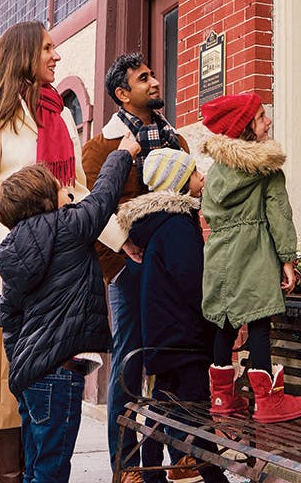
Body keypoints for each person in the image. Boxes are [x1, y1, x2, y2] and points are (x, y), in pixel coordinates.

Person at [0, 20, 129, 483]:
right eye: (48, 48)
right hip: (14, 267)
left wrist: (120, 239)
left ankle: (37, 472)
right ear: (25, 56)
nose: (57, 56)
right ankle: (17, 474)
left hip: (59, 263)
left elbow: (76, 191)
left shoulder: (58, 116)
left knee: (47, 373)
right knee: (27, 374)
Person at [0, 135, 140, 483]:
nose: (70, 193)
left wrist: (22, 360)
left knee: (36, 467)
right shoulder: (68, 227)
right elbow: (103, 197)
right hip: (58, 374)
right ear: (45, 200)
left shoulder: (12, 249)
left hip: (29, 376)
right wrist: (123, 153)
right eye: (62, 189)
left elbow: (9, 318)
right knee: (52, 470)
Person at [81, 52, 189, 479]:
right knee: (129, 363)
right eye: (144, 79)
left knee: (175, 359)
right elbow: (94, 207)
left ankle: (176, 455)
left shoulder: (175, 140)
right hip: (129, 272)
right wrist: (122, 248)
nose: (155, 82)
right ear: (123, 94)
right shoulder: (101, 146)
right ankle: (125, 465)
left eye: (153, 75)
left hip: (175, 271)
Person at [199, 93, 301, 424]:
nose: (269, 121)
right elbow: (279, 213)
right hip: (253, 251)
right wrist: (287, 259)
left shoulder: (217, 170)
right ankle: (267, 401)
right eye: (262, 116)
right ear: (248, 126)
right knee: (260, 320)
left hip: (219, 254)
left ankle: (222, 397)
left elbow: (208, 213)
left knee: (225, 321)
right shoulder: (266, 170)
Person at [116, 148, 228, 483]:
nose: (201, 178)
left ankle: (149, 472)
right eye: (194, 173)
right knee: (194, 412)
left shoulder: (157, 224)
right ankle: (210, 476)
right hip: (184, 337)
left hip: (163, 336)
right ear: (179, 181)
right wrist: (214, 317)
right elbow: (192, 280)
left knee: (163, 405)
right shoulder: (178, 225)